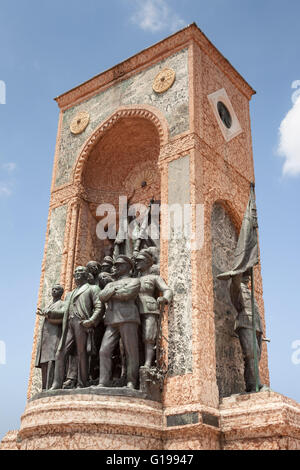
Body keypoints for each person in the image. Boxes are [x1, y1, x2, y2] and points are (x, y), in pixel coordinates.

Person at [51, 266, 103, 390]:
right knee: (60, 353)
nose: (77, 274)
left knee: (82, 353)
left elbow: (99, 306)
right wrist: (50, 313)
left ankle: (81, 382)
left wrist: (91, 321)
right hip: (68, 325)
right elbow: (64, 311)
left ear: (86, 275)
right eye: (76, 272)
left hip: (82, 323)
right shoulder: (69, 294)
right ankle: (57, 383)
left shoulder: (93, 288)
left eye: (81, 272)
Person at [98, 255, 140, 389]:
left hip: (128, 318)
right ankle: (103, 382)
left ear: (128, 267)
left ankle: (131, 382)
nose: (115, 267)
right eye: (115, 264)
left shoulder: (134, 281)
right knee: (104, 350)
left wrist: (112, 292)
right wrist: (114, 291)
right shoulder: (110, 284)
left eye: (119, 265)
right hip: (112, 320)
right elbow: (102, 296)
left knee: (130, 351)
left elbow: (127, 294)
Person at [135, 249, 173, 368]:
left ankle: (148, 363)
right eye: (136, 261)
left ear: (147, 262)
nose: (136, 263)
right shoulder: (133, 279)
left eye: (139, 261)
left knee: (149, 337)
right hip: (134, 310)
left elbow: (167, 289)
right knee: (134, 339)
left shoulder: (154, 277)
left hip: (149, 309)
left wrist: (165, 299)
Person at [230, 271, 263, 392]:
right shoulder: (237, 288)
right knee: (251, 354)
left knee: (257, 356)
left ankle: (252, 384)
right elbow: (235, 283)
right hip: (244, 322)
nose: (248, 277)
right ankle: (255, 385)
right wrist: (237, 272)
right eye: (245, 273)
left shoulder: (249, 292)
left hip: (256, 326)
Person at [35, 284, 65, 390]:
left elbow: (64, 312)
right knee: (44, 362)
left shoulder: (62, 303)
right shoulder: (49, 304)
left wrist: (50, 312)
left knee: (52, 360)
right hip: (46, 337)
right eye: (53, 289)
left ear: (61, 293)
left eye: (56, 289)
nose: (54, 291)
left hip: (55, 335)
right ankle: (44, 387)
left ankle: (52, 385)